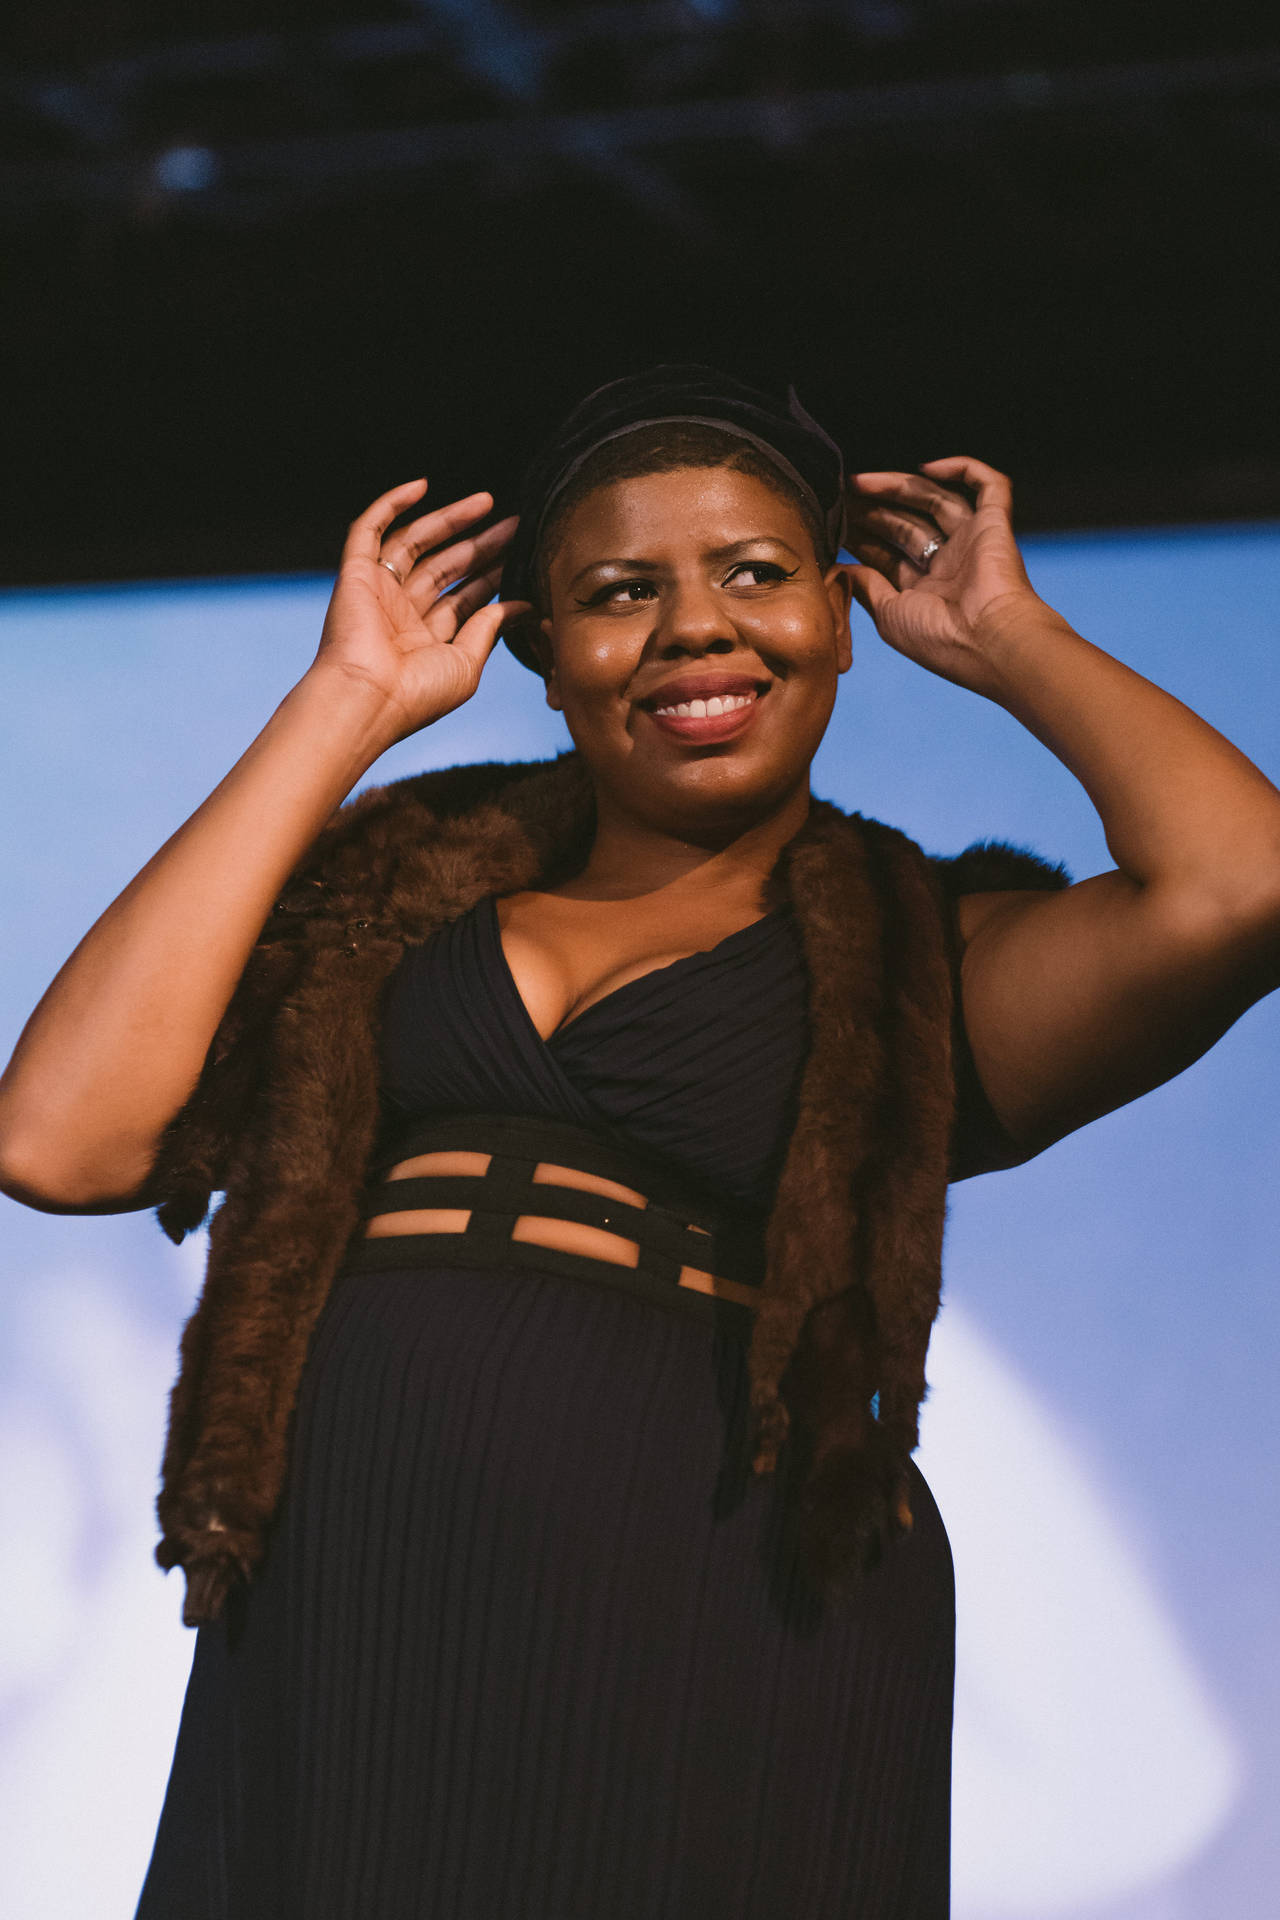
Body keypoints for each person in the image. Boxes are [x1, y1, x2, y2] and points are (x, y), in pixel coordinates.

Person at [1, 365, 1277, 1920]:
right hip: (356, 1602)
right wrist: (343, 706)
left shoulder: (919, 962)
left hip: (715, 1617)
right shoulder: (391, 907)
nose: (694, 627)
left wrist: (1010, 638)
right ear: (544, 652)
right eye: (620, 591)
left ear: (839, 610)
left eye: (754, 573)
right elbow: (59, 1138)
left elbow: (1238, 889)